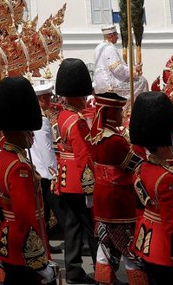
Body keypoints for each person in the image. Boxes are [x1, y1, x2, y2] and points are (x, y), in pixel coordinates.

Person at [128, 92, 173, 283]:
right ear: (161, 147)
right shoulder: (167, 178)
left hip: (144, 240)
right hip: (163, 248)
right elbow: (172, 225)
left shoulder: (142, 167)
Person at [0, 76, 55, 284]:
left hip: (9, 237)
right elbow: (26, 216)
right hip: (22, 244)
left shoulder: (4, 155)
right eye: (27, 130)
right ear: (19, 130)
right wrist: (38, 259)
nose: (31, 134)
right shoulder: (19, 166)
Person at [89, 92, 141, 284]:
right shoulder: (116, 141)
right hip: (119, 200)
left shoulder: (95, 136)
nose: (122, 113)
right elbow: (133, 165)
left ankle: (104, 281)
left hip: (101, 199)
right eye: (119, 110)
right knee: (130, 248)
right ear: (111, 113)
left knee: (104, 247)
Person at [53, 58, 97, 284]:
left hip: (66, 179)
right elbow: (83, 157)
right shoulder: (78, 121)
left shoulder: (63, 115)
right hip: (80, 181)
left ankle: (73, 270)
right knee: (93, 229)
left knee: (72, 227)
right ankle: (102, 269)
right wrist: (90, 188)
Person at [29, 80, 60, 254]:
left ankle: (45, 243)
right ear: (41, 100)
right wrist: (53, 172)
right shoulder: (41, 120)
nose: (50, 100)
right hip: (44, 173)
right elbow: (46, 150)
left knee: (44, 212)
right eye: (47, 97)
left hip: (36, 170)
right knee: (54, 211)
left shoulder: (37, 117)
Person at [93, 26, 132, 99]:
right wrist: (133, 70)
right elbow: (117, 69)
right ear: (111, 35)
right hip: (111, 85)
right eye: (116, 34)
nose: (117, 37)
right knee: (141, 81)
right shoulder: (109, 48)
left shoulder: (98, 47)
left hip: (99, 85)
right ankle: (129, 109)